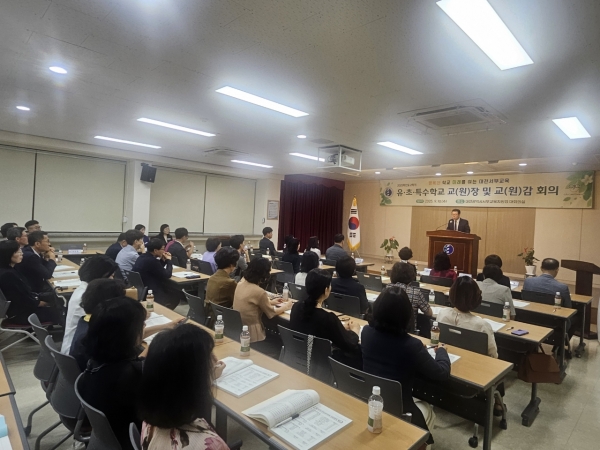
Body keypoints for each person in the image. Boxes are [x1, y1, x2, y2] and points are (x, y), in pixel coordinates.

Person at [361, 286, 450, 445]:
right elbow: (441, 373)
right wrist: (442, 351)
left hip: (370, 402)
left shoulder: (366, 333)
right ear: (407, 315)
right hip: (401, 410)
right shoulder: (412, 345)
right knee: (428, 409)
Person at [138, 325, 228, 450]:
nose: (215, 360)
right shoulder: (209, 444)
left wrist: (209, 376)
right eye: (209, 357)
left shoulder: (150, 422)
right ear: (192, 379)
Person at [78, 297, 147, 449]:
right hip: (131, 440)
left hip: (108, 436)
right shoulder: (130, 376)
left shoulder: (96, 361)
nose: (144, 326)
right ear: (127, 334)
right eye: (141, 324)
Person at [70, 279, 179, 370]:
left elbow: (128, 337)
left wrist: (166, 326)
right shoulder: (120, 366)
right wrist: (154, 346)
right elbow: (134, 366)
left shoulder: (93, 323)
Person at [289, 268, 362, 369]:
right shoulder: (328, 318)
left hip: (298, 357)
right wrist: (355, 330)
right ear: (326, 290)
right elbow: (349, 344)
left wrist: (340, 328)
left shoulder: (296, 307)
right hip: (321, 365)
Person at [61, 255, 118, 353]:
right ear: (100, 276)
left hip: (80, 346)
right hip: (76, 351)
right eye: (111, 276)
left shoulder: (86, 290)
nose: (113, 280)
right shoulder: (85, 297)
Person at [0, 240, 60, 325]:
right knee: (60, 311)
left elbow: (24, 294)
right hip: (21, 314)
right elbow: (22, 299)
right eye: (17, 252)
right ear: (7, 254)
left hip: (25, 306)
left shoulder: (10, 269)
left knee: (55, 297)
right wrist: (42, 303)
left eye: (20, 250)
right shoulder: (8, 275)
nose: (22, 254)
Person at [233, 258, 292, 342]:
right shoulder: (259, 292)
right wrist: (287, 306)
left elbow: (251, 301)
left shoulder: (241, 282)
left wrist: (271, 302)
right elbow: (271, 313)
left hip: (239, 328)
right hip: (253, 333)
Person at [437, 277, 498, 358]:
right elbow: (493, 356)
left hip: (447, 357)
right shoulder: (482, 325)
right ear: (476, 297)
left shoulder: (442, 313)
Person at [132, 239, 177, 309]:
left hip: (142, 287)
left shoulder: (142, 257)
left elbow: (157, 269)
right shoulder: (152, 260)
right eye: (163, 249)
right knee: (175, 296)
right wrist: (169, 260)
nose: (164, 251)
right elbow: (167, 274)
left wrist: (163, 260)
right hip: (151, 290)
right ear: (155, 250)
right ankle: (163, 310)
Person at [389, 262, 431, 331]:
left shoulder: (387, 288)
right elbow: (429, 313)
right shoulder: (415, 292)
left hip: (389, 329)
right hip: (408, 332)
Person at [206, 247, 239, 319]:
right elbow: (237, 301)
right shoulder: (230, 282)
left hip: (210, 316)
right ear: (232, 265)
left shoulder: (211, 278)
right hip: (223, 317)